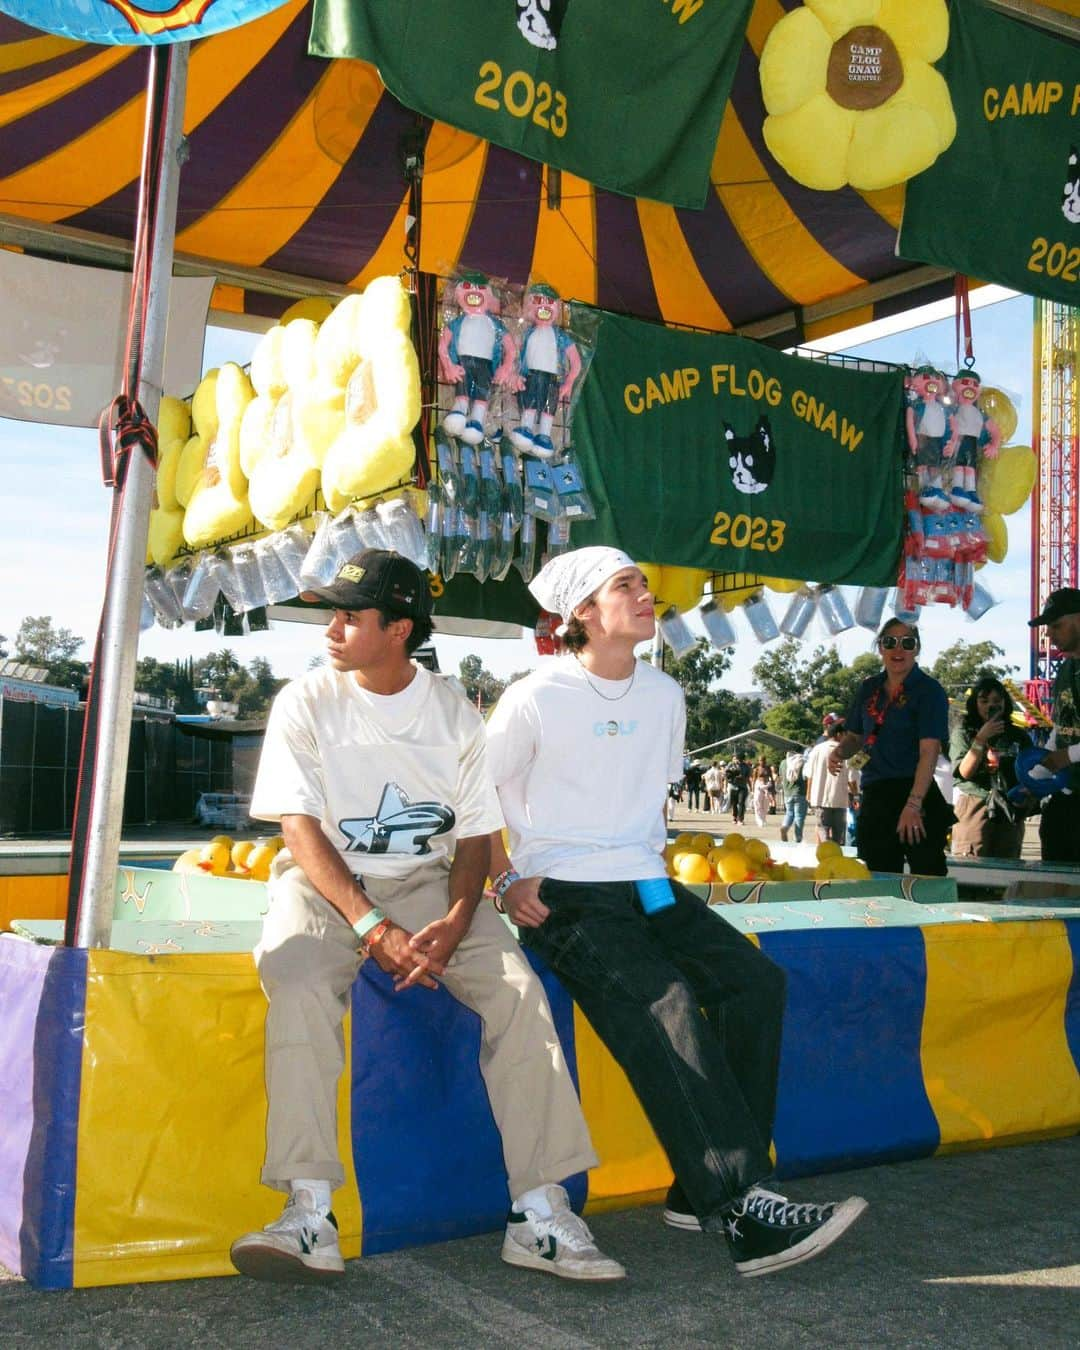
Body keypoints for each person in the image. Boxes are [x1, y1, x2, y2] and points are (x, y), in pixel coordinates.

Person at [230, 549, 623, 1285]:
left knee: (519, 994)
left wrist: (456, 915)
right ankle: (308, 1213)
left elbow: (476, 835)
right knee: (297, 979)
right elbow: (300, 828)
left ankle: (539, 1214)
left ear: (400, 628)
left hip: (433, 883)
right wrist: (372, 928)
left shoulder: (453, 713)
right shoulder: (304, 701)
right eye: (332, 614)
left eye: (351, 616)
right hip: (326, 884)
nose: (333, 629)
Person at [485, 546, 866, 1278]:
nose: (644, 594)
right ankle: (746, 1206)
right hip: (566, 894)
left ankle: (702, 1191)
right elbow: (471, 798)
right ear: (583, 615)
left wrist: (651, 878)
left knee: (756, 985)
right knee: (669, 1004)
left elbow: (644, 803)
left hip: (649, 886)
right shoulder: (535, 695)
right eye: (623, 586)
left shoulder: (664, 695)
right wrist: (505, 882)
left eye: (644, 583)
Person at [828, 619, 952, 875]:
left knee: (926, 881)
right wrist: (839, 752)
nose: (898, 650)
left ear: (917, 649)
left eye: (907, 642)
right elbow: (855, 737)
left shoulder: (929, 690)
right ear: (880, 648)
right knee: (876, 881)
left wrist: (913, 805)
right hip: (876, 795)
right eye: (890, 642)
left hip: (915, 793)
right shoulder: (868, 687)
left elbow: (930, 751)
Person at [949, 677, 1034, 859]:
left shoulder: (1018, 736)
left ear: (1005, 703)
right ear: (975, 703)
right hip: (975, 803)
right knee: (972, 865)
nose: (990, 706)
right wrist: (981, 738)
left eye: (997, 701)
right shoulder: (964, 731)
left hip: (1009, 806)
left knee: (1007, 867)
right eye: (984, 701)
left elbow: (1031, 772)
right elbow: (964, 772)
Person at [1028, 588, 1080, 863]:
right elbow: (1061, 731)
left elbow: (1065, 750)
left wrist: (1067, 757)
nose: (1049, 634)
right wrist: (1034, 779)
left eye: (1057, 625)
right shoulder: (1066, 671)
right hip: (1065, 800)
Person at [803, 722, 851, 843]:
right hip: (840, 799)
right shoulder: (845, 750)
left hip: (820, 798)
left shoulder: (817, 750)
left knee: (822, 829)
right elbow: (852, 776)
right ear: (839, 734)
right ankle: (835, 855)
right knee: (838, 833)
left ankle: (826, 854)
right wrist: (855, 795)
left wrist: (808, 794)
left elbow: (810, 774)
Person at [779, 748, 808, 844]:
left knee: (789, 813)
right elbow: (807, 777)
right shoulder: (803, 762)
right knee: (799, 816)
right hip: (800, 792)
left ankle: (784, 827)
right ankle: (797, 838)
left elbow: (781, 777)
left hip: (787, 793)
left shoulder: (783, 763)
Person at [726, 751, 749, 825]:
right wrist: (732, 773)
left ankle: (740, 819)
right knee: (734, 803)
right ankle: (734, 817)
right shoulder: (731, 764)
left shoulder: (746, 766)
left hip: (742, 786)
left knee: (741, 803)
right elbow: (726, 773)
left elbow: (748, 776)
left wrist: (742, 777)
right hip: (733, 786)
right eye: (736, 758)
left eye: (739, 759)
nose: (737, 760)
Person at [751, 760, 771, 830]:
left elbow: (771, 778)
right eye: (760, 760)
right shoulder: (756, 769)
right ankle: (759, 819)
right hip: (758, 785)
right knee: (758, 803)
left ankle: (763, 818)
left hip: (766, 785)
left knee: (765, 804)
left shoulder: (768, 768)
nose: (762, 762)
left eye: (763, 760)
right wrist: (752, 790)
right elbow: (753, 779)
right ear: (759, 761)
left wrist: (772, 787)